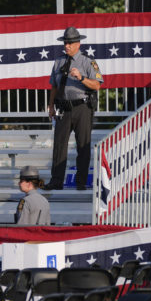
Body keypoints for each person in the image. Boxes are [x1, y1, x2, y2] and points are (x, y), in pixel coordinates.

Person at [44, 27, 103, 191]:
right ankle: (56, 181)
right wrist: (51, 106)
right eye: (65, 42)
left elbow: (97, 85)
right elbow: (54, 86)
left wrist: (81, 77)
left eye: (70, 43)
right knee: (59, 145)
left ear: (78, 44)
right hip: (63, 107)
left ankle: (81, 181)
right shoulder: (58, 61)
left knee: (82, 145)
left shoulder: (87, 61)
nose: (67, 46)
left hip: (82, 107)